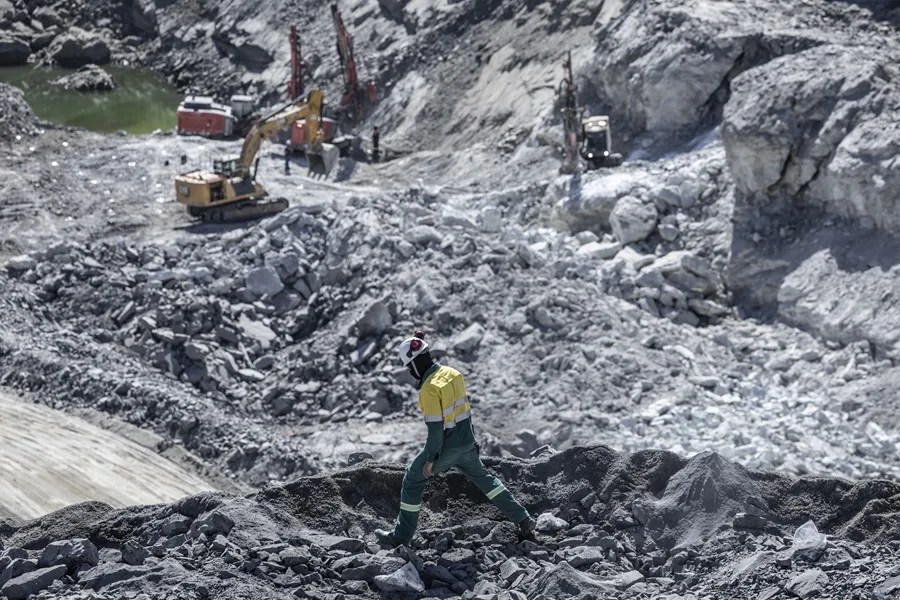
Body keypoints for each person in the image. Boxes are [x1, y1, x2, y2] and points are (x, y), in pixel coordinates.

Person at [375, 331, 535, 547]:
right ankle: (523, 519)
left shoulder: (429, 388)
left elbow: (435, 431)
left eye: (408, 368)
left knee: (412, 480)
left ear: (413, 365)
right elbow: (466, 413)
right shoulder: (453, 373)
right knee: (487, 481)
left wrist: (431, 459)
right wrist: (473, 442)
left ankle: (401, 537)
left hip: (446, 448)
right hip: (467, 442)